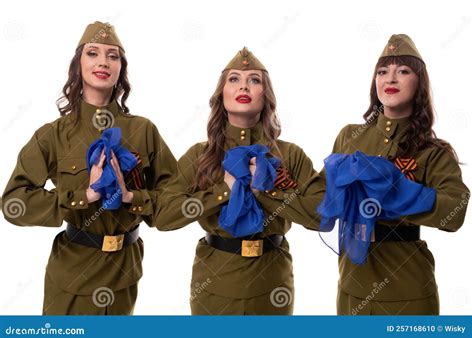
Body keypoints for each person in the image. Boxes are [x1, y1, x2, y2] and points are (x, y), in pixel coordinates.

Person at [2, 21, 176, 315]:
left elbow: (174, 201)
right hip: (71, 274)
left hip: (124, 274)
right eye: (92, 53)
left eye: (113, 56)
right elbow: (13, 203)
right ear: (78, 65)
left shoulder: (143, 131)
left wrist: (131, 197)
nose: (103, 62)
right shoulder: (53, 134)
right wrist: (84, 195)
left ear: (121, 68)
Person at [153, 47, 325, 315]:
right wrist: (225, 190)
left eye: (254, 80)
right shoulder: (201, 155)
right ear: (221, 95)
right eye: (234, 79)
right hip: (215, 284)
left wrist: (265, 192)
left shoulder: (289, 154)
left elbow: (321, 217)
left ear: (265, 95)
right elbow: (163, 217)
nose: (243, 85)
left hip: (273, 284)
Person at [327, 34, 470, 315]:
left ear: (419, 84)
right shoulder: (349, 137)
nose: (390, 79)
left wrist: (396, 191)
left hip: (409, 290)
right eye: (383, 72)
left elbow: (456, 211)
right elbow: (323, 200)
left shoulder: (433, 150)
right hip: (352, 286)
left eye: (402, 71)